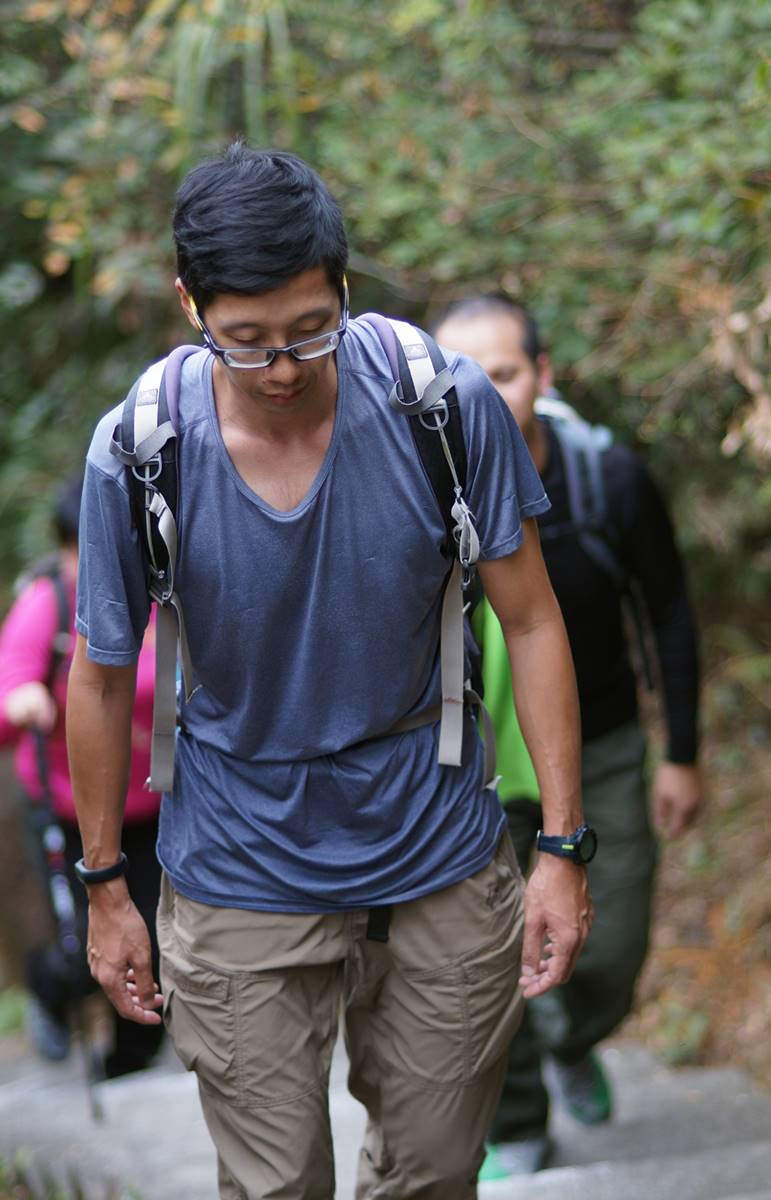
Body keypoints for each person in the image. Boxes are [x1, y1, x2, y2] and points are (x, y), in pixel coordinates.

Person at [67, 143, 593, 1200]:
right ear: (189, 304)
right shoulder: (141, 451)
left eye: (311, 328)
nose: (282, 367)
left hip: (436, 846)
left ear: (344, 288)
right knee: (275, 1186)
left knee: (435, 1172)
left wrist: (561, 846)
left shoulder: (440, 407)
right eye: (245, 340)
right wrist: (105, 885)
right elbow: (100, 674)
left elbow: (533, 620)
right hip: (237, 863)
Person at [433, 294, 702, 1179]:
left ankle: (573, 1035)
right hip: (466, 769)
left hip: (600, 750)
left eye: (503, 374)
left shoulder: (606, 480)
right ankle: (517, 1122)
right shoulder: (412, 486)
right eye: (459, 379)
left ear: (543, 375)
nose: (480, 397)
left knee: (611, 947)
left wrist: (682, 752)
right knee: (487, 959)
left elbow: (668, 613)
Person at [0, 476, 164, 1078]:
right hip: (72, 810)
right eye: (76, 548)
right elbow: (9, 688)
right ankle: (50, 989)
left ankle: (130, 1061)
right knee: (85, 947)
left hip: (155, 806)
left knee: (155, 939)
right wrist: (22, 701)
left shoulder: (157, 594)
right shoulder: (46, 603)